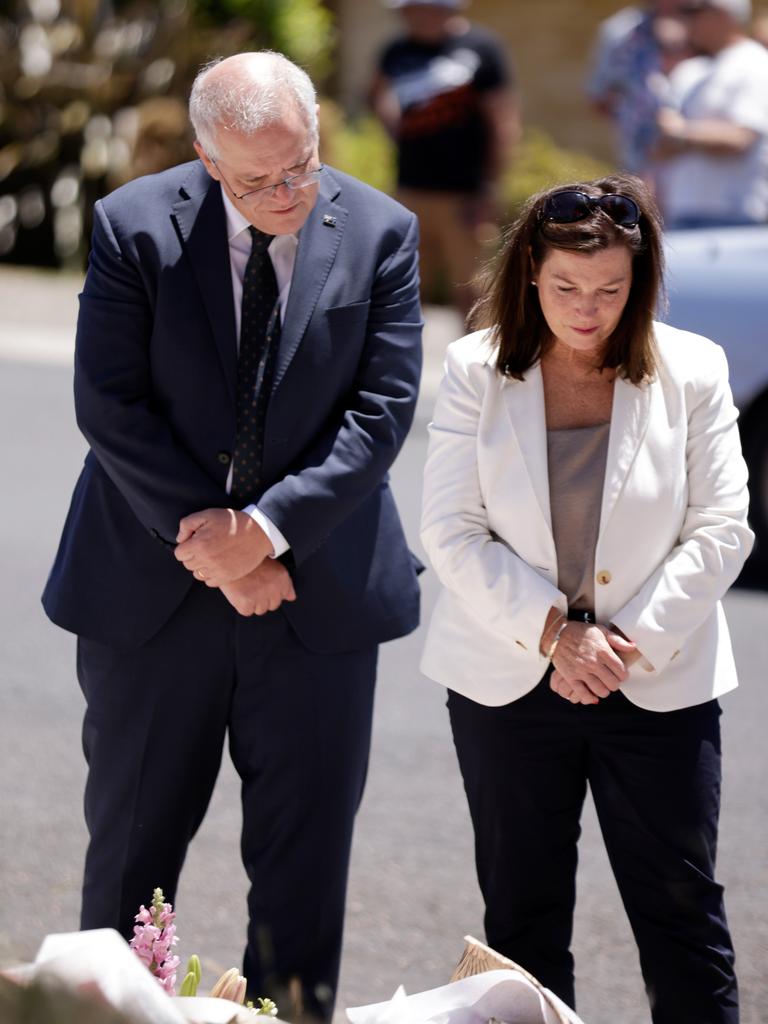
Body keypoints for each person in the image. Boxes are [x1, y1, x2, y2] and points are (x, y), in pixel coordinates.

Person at [42, 51, 423, 1023]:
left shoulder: (382, 230)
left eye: (302, 164)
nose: (291, 192)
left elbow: (380, 412)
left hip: (316, 594)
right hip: (151, 592)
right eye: (260, 180)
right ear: (210, 160)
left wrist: (264, 533)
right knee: (129, 857)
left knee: (302, 877)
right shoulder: (136, 224)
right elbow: (110, 402)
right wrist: (210, 543)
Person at [420, 174, 752, 1023]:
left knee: (681, 914)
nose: (587, 307)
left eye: (610, 289)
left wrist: (621, 641)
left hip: (657, 680)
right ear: (530, 268)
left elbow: (723, 529)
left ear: (639, 281)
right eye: (567, 286)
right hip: (510, 682)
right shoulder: (472, 368)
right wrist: (558, 636)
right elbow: (451, 531)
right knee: (523, 919)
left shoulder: (696, 369)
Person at [369, 0, 519, 318]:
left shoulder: (481, 47)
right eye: (407, 11)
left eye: (420, 9)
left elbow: (502, 120)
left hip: (464, 192)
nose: (412, 17)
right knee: (403, 289)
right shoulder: (396, 50)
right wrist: (394, 127)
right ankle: (405, 367)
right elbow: (377, 93)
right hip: (411, 189)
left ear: (446, 9)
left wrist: (490, 185)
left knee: (472, 293)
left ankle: (478, 367)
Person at [655, 0, 768, 227]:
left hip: (735, 216)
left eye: (695, 12)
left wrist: (681, 133)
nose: (687, 20)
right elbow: (661, 146)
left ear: (725, 14)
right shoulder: (691, 71)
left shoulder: (755, 63)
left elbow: (740, 138)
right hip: (682, 212)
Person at [586, 2, 691, 181]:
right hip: (636, 163)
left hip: (695, 167)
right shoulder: (619, 30)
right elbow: (599, 98)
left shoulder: (706, 25)